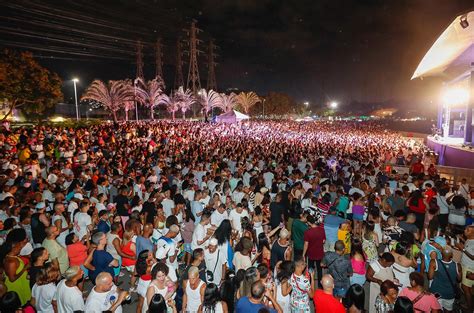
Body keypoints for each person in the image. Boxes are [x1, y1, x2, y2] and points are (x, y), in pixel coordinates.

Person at [0, 228, 31, 305]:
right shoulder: (11, 262)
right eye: (19, 247)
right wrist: (25, 268)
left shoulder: (12, 256)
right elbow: (12, 279)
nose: (20, 248)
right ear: (13, 248)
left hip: (21, 282)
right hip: (16, 285)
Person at [428, 246, 460, 312]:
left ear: (441, 253)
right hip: (449, 294)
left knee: (435, 309)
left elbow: (430, 277)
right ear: (451, 255)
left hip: (437, 292)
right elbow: (459, 279)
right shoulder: (457, 265)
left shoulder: (434, 262)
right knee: (447, 310)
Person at [302, 214, 325, 286]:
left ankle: (310, 284)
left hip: (311, 254)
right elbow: (323, 241)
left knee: (310, 269)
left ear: (308, 223)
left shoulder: (307, 232)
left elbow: (306, 244)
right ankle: (320, 285)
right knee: (319, 270)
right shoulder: (322, 230)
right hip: (320, 253)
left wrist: (303, 254)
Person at [459, 224, 474, 312]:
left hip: (469, 268)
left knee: (465, 288)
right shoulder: (469, 239)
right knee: (470, 288)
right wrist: (463, 240)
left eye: (467, 230)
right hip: (466, 266)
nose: (465, 231)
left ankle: (470, 308)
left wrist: (463, 249)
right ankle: (470, 303)